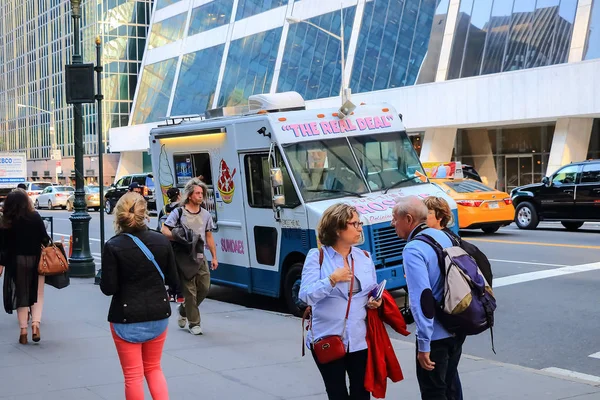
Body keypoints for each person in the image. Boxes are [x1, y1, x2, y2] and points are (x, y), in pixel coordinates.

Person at [100, 192, 179, 400]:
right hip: (158, 313)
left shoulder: (113, 245)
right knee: (154, 368)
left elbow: (108, 288)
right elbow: (174, 281)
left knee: (133, 375)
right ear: (145, 214)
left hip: (125, 316)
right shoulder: (161, 241)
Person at [299, 203, 382, 400]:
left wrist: (375, 301)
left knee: (362, 394)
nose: (360, 228)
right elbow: (305, 295)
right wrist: (331, 280)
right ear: (337, 228)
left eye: (359, 223)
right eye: (354, 223)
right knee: (337, 394)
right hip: (327, 337)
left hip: (359, 339)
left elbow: (372, 290)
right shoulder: (317, 257)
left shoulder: (364, 257)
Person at [392, 196, 462, 400]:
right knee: (450, 389)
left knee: (433, 392)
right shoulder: (445, 237)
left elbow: (423, 298)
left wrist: (424, 345)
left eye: (394, 218)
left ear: (408, 218)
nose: (392, 223)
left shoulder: (413, 249)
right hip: (456, 328)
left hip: (436, 337)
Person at [161, 178, 218, 335]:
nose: (201, 196)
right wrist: (179, 237)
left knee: (205, 287)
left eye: (202, 193)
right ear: (190, 196)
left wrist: (214, 257)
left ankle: (184, 309)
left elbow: (209, 236)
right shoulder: (178, 212)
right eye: (198, 193)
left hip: (200, 256)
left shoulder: (206, 214)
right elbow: (164, 230)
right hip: (184, 257)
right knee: (190, 291)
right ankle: (194, 323)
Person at [0, 189, 50, 344]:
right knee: (38, 293)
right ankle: (35, 325)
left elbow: (3, 246)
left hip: (16, 262)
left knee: (21, 294)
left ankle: (23, 331)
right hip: (36, 260)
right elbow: (45, 239)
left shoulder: (6, 220)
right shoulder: (35, 217)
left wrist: (1, 264)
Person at [157, 187, 183, 302]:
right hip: (178, 241)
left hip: (166, 242)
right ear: (178, 195)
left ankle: (171, 293)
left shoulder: (164, 209)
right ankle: (180, 294)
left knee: (170, 268)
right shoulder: (181, 209)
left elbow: (159, 226)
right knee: (180, 268)